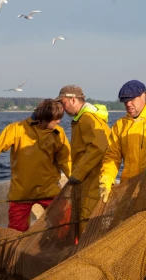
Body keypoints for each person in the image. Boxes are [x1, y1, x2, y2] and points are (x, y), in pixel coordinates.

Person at [0, 99, 71, 232]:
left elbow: (66, 160)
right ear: (46, 118)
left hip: (49, 190)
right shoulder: (16, 129)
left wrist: (76, 180)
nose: (59, 122)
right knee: (16, 232)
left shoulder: (58, 133)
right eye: (56, 119)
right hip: (21, 193)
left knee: (66, 225)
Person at [55, 85, 110, 232]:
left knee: (87, 224)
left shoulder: (87, 119)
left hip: (92, 182)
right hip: (89, 181)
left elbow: (99, 147)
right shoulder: (85, 118)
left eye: (63, 102)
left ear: (73, 99)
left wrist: (77, 174)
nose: (63, 107)